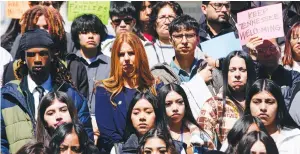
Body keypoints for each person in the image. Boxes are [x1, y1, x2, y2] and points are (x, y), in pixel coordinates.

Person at [1, 29, 92, 154]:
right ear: (23, 57)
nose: (37, 59)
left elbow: (87, 143)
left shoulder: (72, 96)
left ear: (52, 55)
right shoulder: (7, 98)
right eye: (31, 55)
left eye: (43, 53)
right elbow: (1, 143)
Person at [3, 5, 89, 98]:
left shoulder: (74, 67)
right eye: (35, 26)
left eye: (46, 27)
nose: (40, 31)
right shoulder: (13, 69)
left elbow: (81, 107)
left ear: (57, 30)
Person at [95, 32, 158, 152]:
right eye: (121, 54)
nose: (127, 59)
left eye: (131, 53)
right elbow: (108, 133)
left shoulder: (155, 87)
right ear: (115, 58)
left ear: (140, 55)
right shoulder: (104, 90)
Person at [151, 14, 222, 119]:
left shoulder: (211, 72)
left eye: (189, 35)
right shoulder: (160, 75)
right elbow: (160, 108)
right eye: (178, 36)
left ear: (198, 39)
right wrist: (199, 81)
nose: (184, 41)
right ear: (170, 40)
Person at [198, 50, 256, 149]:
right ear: (225, 73)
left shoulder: (259, 102)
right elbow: (203, 140)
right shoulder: (214, 104)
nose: (237, 74)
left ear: (249, 73)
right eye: (232, 70)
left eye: (242, 70)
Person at [70, 14, 111, 143]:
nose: (91, 36)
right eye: (85, 32)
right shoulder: (69, 64)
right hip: (73, 126)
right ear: (77, 35)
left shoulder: (112, 64)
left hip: (105, 128)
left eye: (95, 32)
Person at [244, 79, 300, 154]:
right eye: (256, 102)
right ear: (248, 105)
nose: (263, 107)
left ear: (279, 106)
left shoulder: (294, 138)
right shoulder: (238, 136)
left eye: (270, 102)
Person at [158, 83, 215, 154]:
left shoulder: (200, 135)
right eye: (168, 104)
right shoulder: (155, 136)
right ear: (161, 106)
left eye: (180, 102)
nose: (175, 108)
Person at [101, 2, 157, 68]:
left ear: (134, 23)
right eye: (117, 21)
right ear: (112, 24)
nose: (122, 25)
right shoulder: (104, 48)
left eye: (127, 20)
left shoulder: (146, 48)